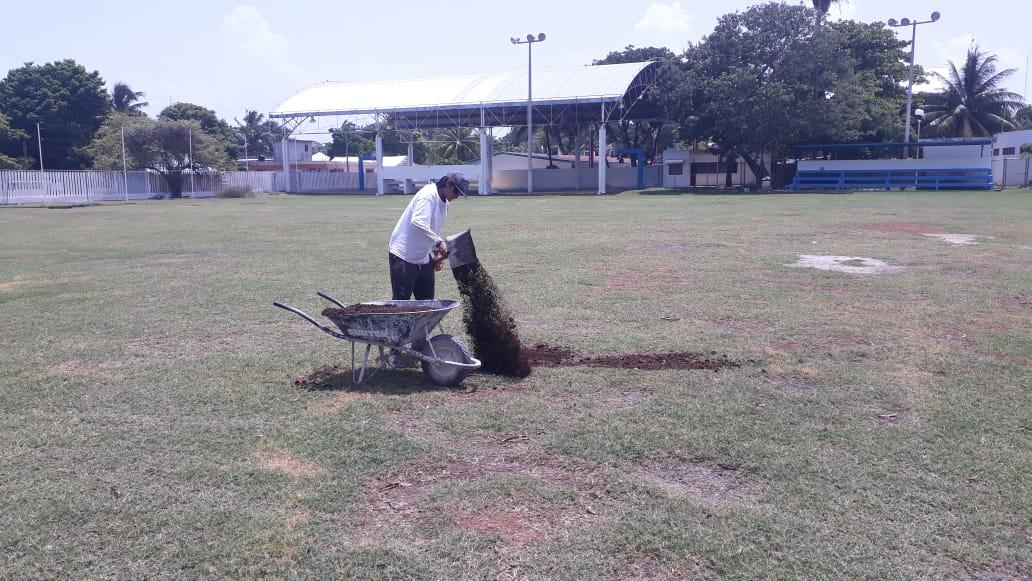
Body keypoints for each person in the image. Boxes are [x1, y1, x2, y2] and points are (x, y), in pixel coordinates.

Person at [388, 172, 468, 301]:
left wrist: (436, 254)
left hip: (423, 257)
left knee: (427, 303)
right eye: (456, 192)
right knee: (401, 303)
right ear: (448, 184)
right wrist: (438, 242)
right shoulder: (428, 195)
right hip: (403, 255)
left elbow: (433, 228)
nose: (457, 196)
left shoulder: (445, 203)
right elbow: (418, 221)